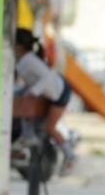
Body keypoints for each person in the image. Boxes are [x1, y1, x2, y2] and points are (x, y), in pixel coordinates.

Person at [13, 28, 75, 174]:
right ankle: (28, 142)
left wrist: (33, 92)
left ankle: (70, 156)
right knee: (31, 118)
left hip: (59, 92)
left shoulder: (27, 60)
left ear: (19, 46)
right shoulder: (25, 60)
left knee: (50, 128)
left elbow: (47, 77)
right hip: (53, 91)